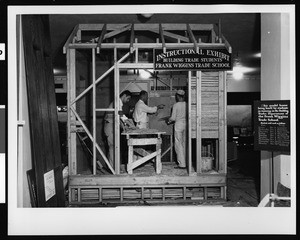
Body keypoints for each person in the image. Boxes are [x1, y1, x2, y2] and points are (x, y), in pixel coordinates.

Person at [104, 90, 136, 168]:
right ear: (124, 95)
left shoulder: (118, 103)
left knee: (114, 148)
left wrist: (124, 125)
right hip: (110, 126)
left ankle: (114, 167)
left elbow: (118, 117)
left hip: (112, 126)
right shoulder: (117, 102)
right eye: (128, 98)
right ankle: (113, 169)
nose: (127, 101)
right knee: (113, 147)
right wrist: (129, 123)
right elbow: (120, 114)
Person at [167, 90, 187, 169]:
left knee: (178, 145)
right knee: (185, 143)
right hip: (186, 125)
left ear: (177, 96)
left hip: (178, 125)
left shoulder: (176, 105)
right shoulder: (187, 104)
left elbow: (173, 118)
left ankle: (182, 164)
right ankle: (186, 162)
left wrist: (169, 120)